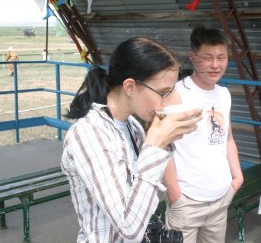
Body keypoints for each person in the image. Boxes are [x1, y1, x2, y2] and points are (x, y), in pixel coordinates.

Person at [61, 37, 203, 243]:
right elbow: (129, 229)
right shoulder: (89, 134)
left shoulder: (132, 125)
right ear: (130, 87)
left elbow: (143, 199)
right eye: (163, 92)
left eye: (171, 90)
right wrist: (156, 145)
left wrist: (165, 139)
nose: (167, 101)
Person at [163, 25, 244, 243]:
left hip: (220, 197)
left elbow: (227, 138)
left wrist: (237, 177)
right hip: (187, 200)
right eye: (208, 57)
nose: (216, 65)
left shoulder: (224, 94)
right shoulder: (177, 94)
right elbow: (162, 146)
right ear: (193, 57)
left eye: (222, 57)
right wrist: (175, 194)